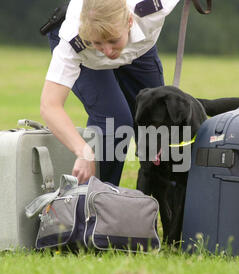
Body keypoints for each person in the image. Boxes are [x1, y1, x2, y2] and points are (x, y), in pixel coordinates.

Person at [41, 0, 180, 185]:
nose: (107, 51)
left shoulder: (154, 6)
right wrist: (84, 152)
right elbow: (50, 106)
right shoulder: (73, 39)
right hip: (88, 59)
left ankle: (161, 206)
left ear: (130, 21)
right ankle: (97, 203)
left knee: (158, 126)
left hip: (139, 50)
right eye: (98, 42)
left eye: (113, 40)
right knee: (113, 122)